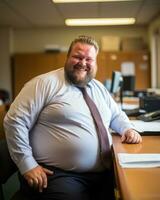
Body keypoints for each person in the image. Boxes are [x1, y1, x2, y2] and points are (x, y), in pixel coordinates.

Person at [4, 35, 142, 200]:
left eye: (89, 59)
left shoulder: (98, 88)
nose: (83, 63)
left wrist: (127, 128)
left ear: (95, 62)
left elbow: (116, 115)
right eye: (77, 56)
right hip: (59, 175)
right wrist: (27, 165)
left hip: (103, 173)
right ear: (67, 57)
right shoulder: (44, 84)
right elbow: (14, 121)